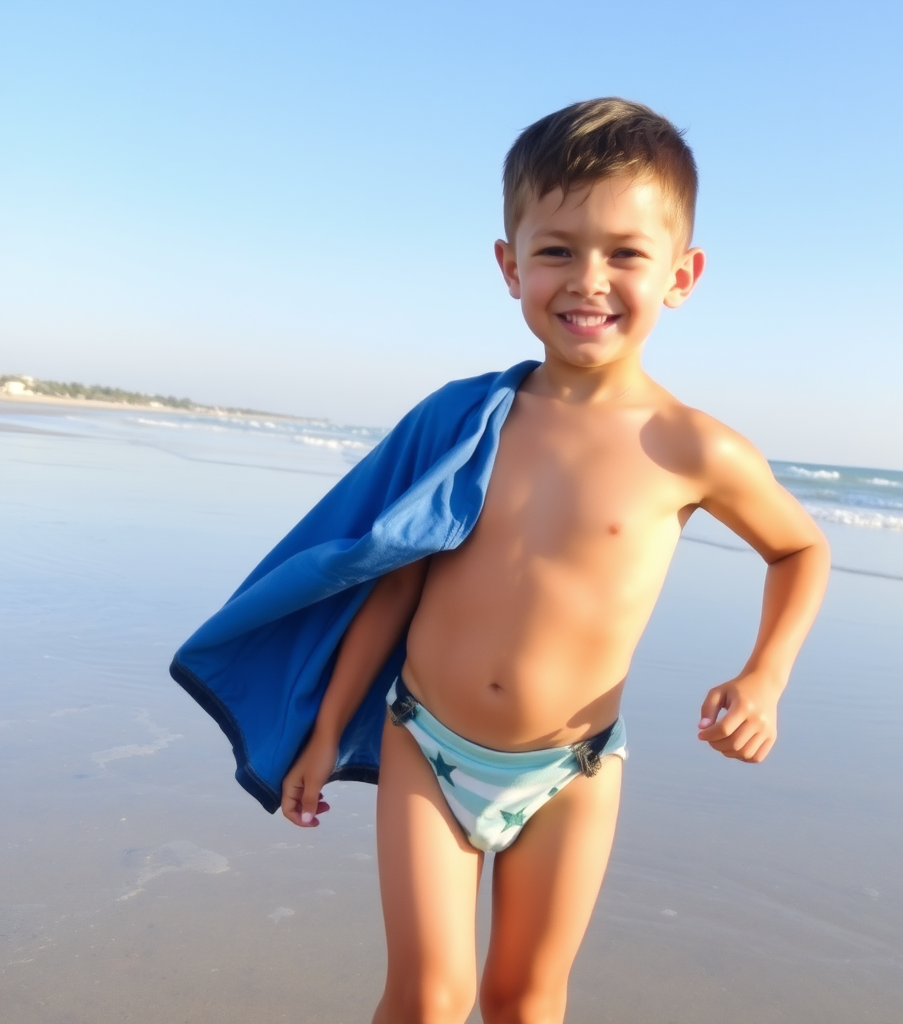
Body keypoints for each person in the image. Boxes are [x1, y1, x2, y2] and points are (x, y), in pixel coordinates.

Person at [279, 98, 830, 1024]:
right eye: (557, 249)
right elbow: (395, 575)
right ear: (510, 265)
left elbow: (800, 546)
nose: (589, 279)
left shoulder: (693, 448)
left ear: (682, 275)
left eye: (625, 252)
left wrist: (765, 677)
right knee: (427, 999)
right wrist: (330, 725)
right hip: (427, 741)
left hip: (571, 770)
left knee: (526, 1001)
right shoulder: (465, 423)